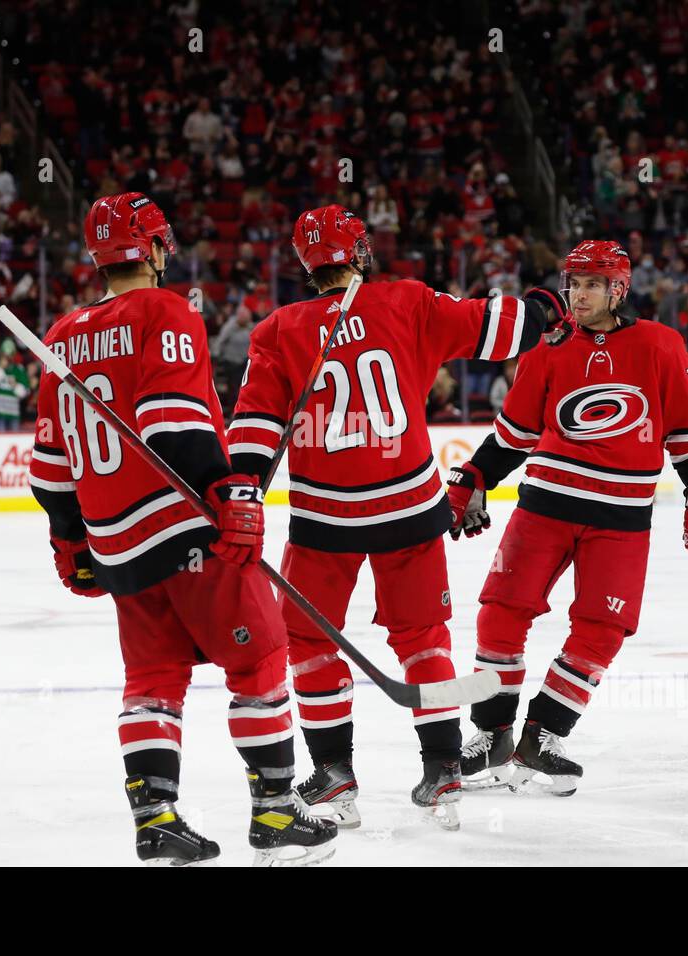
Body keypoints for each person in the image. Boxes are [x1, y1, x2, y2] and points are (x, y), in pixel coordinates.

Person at [227, 204, 566, 829]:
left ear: (307, 264)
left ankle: (333, 774)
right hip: (409, 507)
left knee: (307, 639)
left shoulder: (277, 329)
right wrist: (550, 303)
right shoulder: (408, 302)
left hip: (324, 518)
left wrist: (240, 492)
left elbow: (252, 428)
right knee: (423, 638)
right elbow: (502, 327)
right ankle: (442, 770)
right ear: (360, 252)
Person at [28, 193, 335, 866]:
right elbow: (176, 423)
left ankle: (157, 819)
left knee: (152, 680)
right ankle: (278, 813)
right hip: (184, 530)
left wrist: (72, 540)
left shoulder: (58, 338)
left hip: (116, 546)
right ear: (157, 249)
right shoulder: (164, 309)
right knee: (258, 657)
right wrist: (227, 492)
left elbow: (49, 467)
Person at [446, 239, 688, 794]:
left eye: (592, 284)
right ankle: (494, 732)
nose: (578, 294)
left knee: (602, 628)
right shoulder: (549, 346)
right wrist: (474, 478)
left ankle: (543, 735)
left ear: (618, 289)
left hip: (621, 517)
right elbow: (515, 433)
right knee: (500, 613)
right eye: (573, 283)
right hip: (545, 504)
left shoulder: (661, 346)